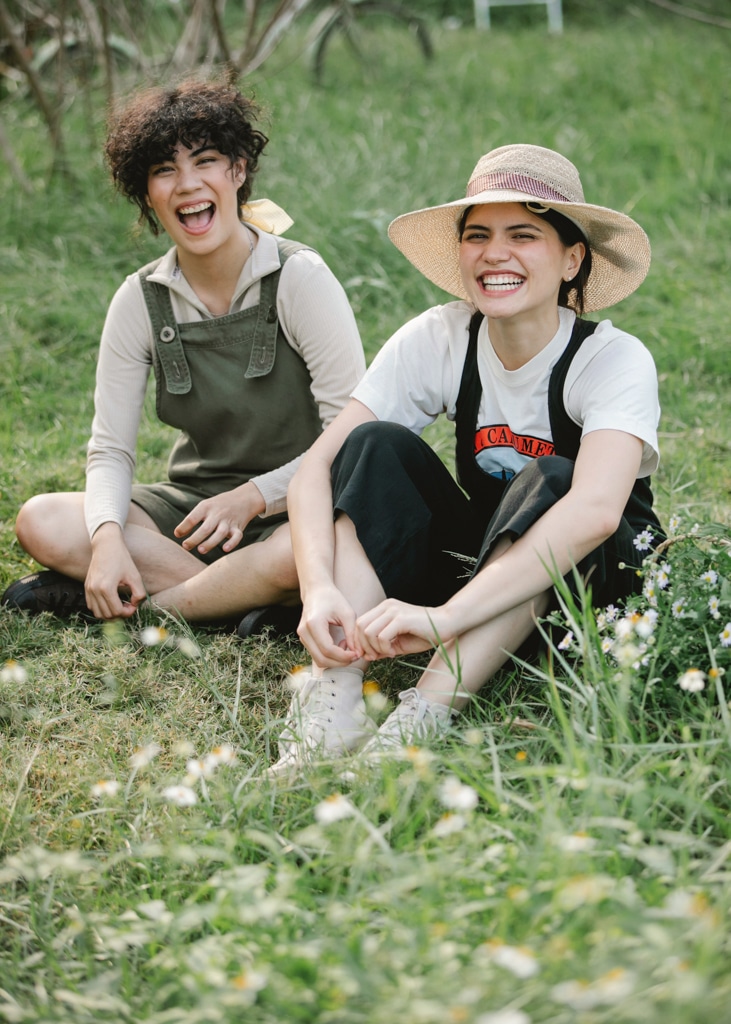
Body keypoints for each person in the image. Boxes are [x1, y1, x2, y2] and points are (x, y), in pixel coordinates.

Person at [274, 142, 664, 772]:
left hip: (593, 593)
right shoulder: (443, 336)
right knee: (373, 446)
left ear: (572, 259)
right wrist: (317, 591)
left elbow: (594, 513)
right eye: (477, 234)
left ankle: (419, 718)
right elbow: (317, 467)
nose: (495, 253)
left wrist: (444, 618)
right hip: (487, 577)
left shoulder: (612, 359)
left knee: (557, 478)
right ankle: (336, 697)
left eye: (523, 235)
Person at [1, 79, 365, 632]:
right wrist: (104, 541)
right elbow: (111, 451)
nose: (187, 185)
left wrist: (253, 497)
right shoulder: (139, 298)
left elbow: (351, 438)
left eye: (206, 161)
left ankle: (156, 608)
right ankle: (241, 604)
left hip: (297, 502)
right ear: (146, 192)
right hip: (191, 509)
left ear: (239, 171)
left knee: (306, 551)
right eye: (164, 170)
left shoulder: (298, 278)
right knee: (45, 520)